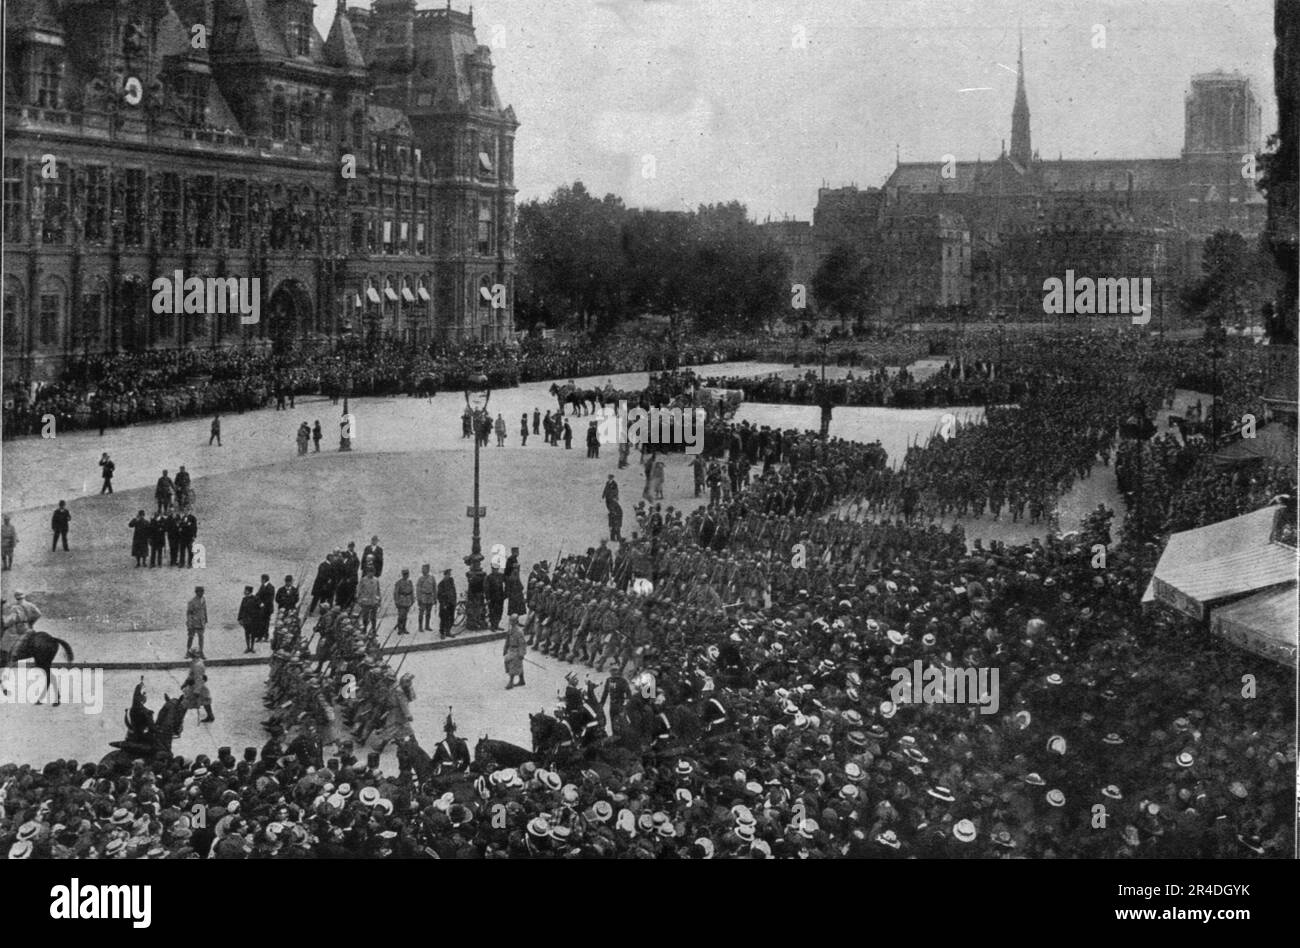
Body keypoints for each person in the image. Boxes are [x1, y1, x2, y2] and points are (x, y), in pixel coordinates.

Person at [181, 649, 215, 723]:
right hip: (197, 685)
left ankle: (179, 718)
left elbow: (198, 679)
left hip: (197, 686)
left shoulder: (197, 665)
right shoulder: (196, 662)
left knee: (186, 702)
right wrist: (185, 683)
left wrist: (197, 691)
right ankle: (210, 715)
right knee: (205, 700)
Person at [503, 614, 527, 689]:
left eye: (513, 621)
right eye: (510, 620)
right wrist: (505, 649)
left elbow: (522, 643)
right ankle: (522, 680)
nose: (511, 622)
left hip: (517, 650)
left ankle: (511, 682)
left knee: (513, 664)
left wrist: (521, 653)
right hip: (511, 649)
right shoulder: (510, 631)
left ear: (516, 622)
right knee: (511, 663)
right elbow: (507, 640)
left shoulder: (519, 632)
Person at [186, 586, 208, 659]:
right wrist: (189, 623)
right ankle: (188, 652)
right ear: (196, 592)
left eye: (203, 591)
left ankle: (201, 652)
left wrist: (206, 619)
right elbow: (189, 613)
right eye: (200, 592)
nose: (202, 593)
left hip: (201, 622)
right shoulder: (192, 601)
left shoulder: (203, 599)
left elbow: (204, 610)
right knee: (191, 637)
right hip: (193, 623)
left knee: (201, 637)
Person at [357, 568, 381, 635]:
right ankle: (365, 628)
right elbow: (359, 590)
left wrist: (379, 600)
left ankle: (374, 629)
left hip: (374, 601)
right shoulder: (363, 580)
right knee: (365, 616)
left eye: (372, 572)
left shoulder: (376, 580)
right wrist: (359, 599)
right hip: (366, 601)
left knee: (373, 617)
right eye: (370, 572)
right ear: (367, 572)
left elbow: (378, 590)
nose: (371, 574)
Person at [237, 585, 260, 653]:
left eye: (245, 590)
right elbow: (241, 609)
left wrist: (257, 616)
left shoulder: (255, 598)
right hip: (246, 620)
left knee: (253, 634)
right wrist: (240, 618)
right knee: (247, 634)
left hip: (253, 620)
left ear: (248, 591)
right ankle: (248, 647)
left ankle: (252, 647)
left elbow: (261, 608)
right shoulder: (244, 599)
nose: (244, 592)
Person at [437, 568, 457, 639]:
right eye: (448, 574)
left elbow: (454, 592)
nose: (449, 576)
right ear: (445, 575)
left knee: (451, 618)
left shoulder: (451, 582)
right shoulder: (441, 584)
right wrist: (443, 604)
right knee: (443, 619)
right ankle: (442, 633)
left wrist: (454, 601)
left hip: (451, 603)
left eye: (449, 574)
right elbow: (439, 596)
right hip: (445, 604)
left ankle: (448, 631)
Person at [393, 568, 415, 635]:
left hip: (408, 600)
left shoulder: (410, 582)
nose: (406, 575)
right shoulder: (399, 582)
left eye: (407, 574)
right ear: (402, 575)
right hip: (401, 600)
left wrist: (412, 599)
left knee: (405, 616)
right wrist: (396, 601)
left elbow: (412, 591)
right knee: (401, 615)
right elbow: (396, 593)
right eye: (404, 574)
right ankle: (400, 629)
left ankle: (404, 628)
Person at [485, 563, 506, 631]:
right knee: (492, 612)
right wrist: (488, 598)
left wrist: (505, 594)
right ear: (492, 569)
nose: (495, 570)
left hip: (500, 597)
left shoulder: (501, 576)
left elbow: (507, 583)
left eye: (496, 569)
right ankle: (493, 626)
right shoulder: (489, 577)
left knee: (499, 611)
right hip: (492, 598)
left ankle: (497, 625)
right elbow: (486, 588)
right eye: (494, 569)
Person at [416, 564, 436, 632]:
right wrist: (419, 599)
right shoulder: (420, 579)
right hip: (423, 597)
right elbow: (418, 590)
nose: (423, 571)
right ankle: (420, 627)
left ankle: (427, 626)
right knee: (421, 613)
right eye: (422, 569)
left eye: (424, 569)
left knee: (428, 613)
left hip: (430, 597)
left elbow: (434, 588)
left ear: (428, 570)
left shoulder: (432, 578)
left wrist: (435, 598)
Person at [256, 575, 276, 642]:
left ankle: (265, 636)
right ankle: (260, 636)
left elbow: (270, 599)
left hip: (267, 608)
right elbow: (258, 595)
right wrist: (259, 602)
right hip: (262, 608)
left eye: (261, 579)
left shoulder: (271, 587)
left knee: (266, 623)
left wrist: (263, 604)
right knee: (260, 622)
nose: (260, 580)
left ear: (264, 579)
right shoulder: (262, 586)